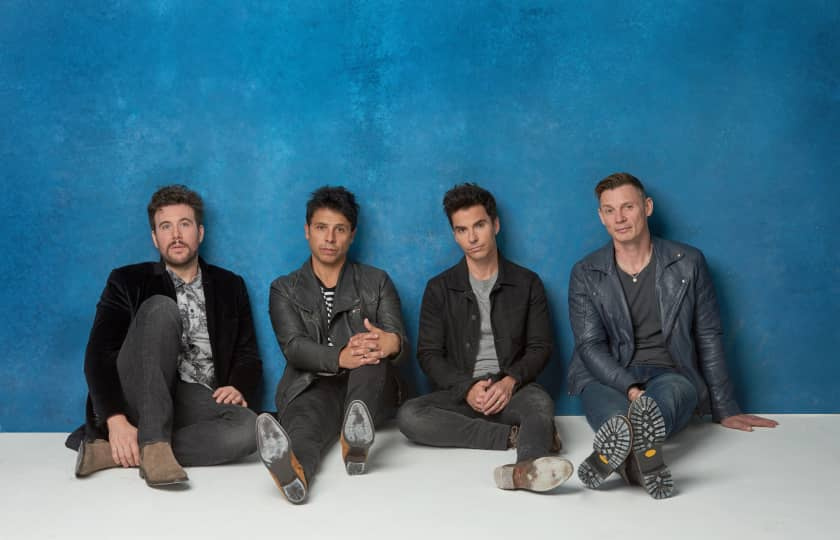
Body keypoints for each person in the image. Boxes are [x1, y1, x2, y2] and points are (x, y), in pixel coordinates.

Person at [568, 172, 778, 499]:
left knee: (661, 404)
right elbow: (590, 345)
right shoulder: (586, 272)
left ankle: (617, 456)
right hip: (606, 377)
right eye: (609, 210)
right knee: (616, 419)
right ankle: (638, 458)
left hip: (671, 372)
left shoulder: (689, 262)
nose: (619, 218)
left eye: (628, 207)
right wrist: (630, 387)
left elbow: (708, 334)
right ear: (601, 217)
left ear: (647, 207)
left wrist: (725, 406)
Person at [66, 185, 262, 487]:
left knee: (250, 428)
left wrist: (237, 385)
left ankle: (112, 453)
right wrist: (115, 421)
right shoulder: (127, 280)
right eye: (166, 227)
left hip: (193, 399)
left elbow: (248, 354)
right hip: (139, 393)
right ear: (155, 238)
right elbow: (98, 355)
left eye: (185, 224)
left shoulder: (230, 285)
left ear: (200, 232)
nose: (176, 235)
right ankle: (154, 446)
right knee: (160, 307)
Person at [398, 183, 572, 492]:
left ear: (495, 225)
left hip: (513, 390)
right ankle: (512, 436)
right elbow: (428, 354)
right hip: (462, 394)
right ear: (455, 234)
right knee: (410, 416)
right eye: (462, 230)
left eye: (479, 225)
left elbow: (540, 346)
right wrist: (466, 388)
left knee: (540, 405)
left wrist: (509, 381)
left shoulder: (527, 283)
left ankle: (525, 468)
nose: (472, 238)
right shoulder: (439, 288)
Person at [256, 186, 408, 504]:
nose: (329, 238)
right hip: (311, 385)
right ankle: (294, 473)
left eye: (340, 229)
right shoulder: (284, 288)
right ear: (307, 231)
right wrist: (341, 356)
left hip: (367, 386)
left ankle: (356, 436)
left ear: (352, 235)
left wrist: (389, 342)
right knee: (304, 428)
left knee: (370, 353)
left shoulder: (377, 281)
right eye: (321, 228)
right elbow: (294, 347)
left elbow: (396, 336)